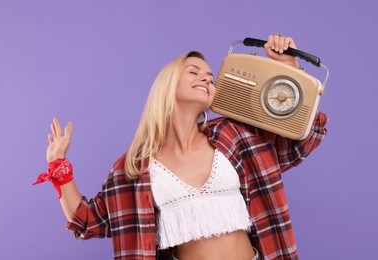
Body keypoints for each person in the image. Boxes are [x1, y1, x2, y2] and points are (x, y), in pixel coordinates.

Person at [34, 34, 328, 259]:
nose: (206, 78)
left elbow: (301, 140)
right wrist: (57, 164)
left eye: (211, 77)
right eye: (193, 71)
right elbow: (87, 222)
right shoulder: (135, 167)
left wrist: (289, 70)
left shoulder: (234, 134)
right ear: (167, 85)